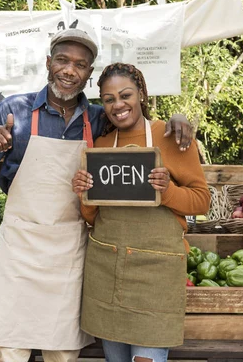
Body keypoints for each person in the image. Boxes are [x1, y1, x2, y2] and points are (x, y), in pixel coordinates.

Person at [0, 29, 193, 362]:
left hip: (70, 249)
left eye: (80, 65)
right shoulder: (14, 110)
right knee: (12, 350)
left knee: (62, 352)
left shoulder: (99, 118)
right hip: (21, 246)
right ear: (49, 63)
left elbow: (138, 120)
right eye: (63, 60)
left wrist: (177, 120)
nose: (69, 70)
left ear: (88, 74)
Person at [72, 63, 210, 362]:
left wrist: (168, 192)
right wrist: (84, 192)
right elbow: (93, 217)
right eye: (109, 99)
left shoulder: (172, 136)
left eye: (125, 95)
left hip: (155, 275)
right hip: (107, 269)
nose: (118, 105)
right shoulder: (101, 146)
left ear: (142, 94)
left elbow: (201, 201)